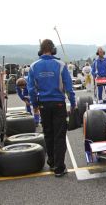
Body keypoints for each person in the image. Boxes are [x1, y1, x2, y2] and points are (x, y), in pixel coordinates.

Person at [28, 39, 76, 177]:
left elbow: (31, 89)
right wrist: (73, 104)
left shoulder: (33, 66)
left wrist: (35, 105)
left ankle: (52, 162)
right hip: (59, 104)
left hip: (43, 104)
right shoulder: (60, 65)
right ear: (53, 50)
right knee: (59, 135)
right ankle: (59, 168)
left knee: (48, 133)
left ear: (40, 50)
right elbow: (69, 88)